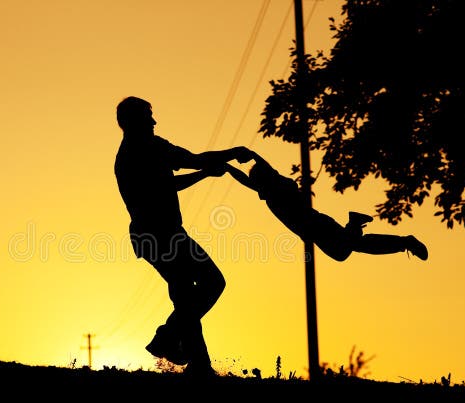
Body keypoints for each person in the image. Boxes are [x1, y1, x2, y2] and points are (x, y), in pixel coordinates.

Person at [113, 96, 254, 378]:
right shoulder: (144, 151)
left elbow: (170, 182)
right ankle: (172, 342)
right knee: (206, 285)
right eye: (148, 116)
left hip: (157, 236)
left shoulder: (139, 151)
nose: (154, 121)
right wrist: (229, 154)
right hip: (161, 235)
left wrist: (206, 172)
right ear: (131, 121)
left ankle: (193, 359)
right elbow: (192, 162)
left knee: (189, 294)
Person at [224, 153, 429, 262]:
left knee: (350, 249)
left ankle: (400, 241)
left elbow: (254, 176)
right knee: (349, 249)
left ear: (263, 180)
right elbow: (253, 177)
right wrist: (237, 162)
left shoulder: (276, 189)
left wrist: (241, 160)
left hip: (317, 226)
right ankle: (359, 226)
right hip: (316, 227)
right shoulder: (276, 188)